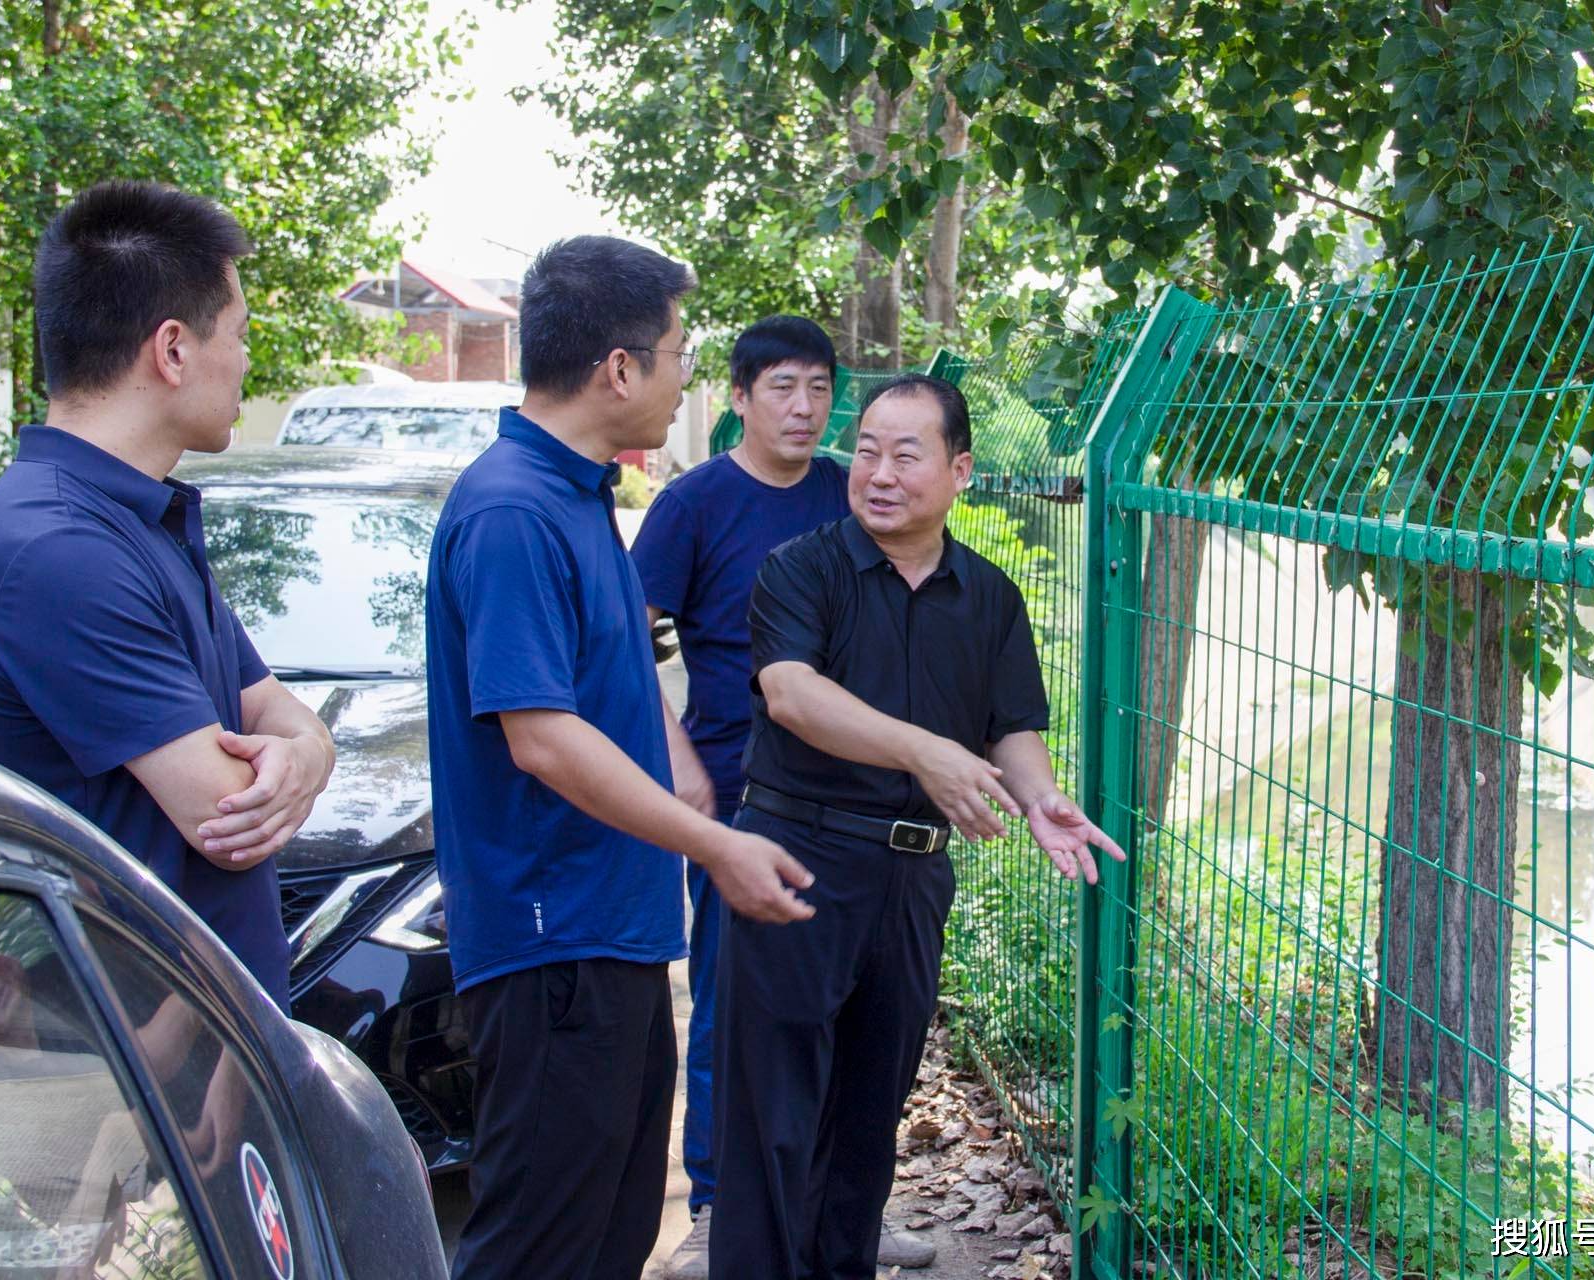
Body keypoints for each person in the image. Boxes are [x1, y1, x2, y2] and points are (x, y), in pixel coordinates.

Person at [424, 235, 816, 1280]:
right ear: (619, 368)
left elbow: (608, 679)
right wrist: (716, 844)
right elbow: (540, 735)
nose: (689, 371)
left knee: (610, 1230)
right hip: (556, 940)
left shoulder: (580, 493)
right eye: (680, 349)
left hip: (613, 927)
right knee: (539, 1242)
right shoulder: (512, 508)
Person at [710, 373, 1126, 1279]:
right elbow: (792, 695)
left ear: (959, 469)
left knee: (868, 1119)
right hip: (797, 859)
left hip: (911, 881)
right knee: (773, 1123)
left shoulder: (990, 598)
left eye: (906, 454)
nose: (879, 473)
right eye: (865, 451)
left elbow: (1011, 726)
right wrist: (924, 754)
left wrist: (1042, 795)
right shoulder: (801, 569)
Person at [0, 181, 335, 1011]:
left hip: (198, 1037)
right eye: (238, 333)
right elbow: (227, 818)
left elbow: (278, 714)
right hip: (125, 1056)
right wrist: (295, 760)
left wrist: (306, 754)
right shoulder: (58, 549)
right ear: (172, 349)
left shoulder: (132, 518)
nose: (246, 359)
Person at [633, 317, 934, 1276]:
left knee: (857, 1013)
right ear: (738, 398)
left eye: (818, 389)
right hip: (740, 795)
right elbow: (625, 642)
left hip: (864, 804)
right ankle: (724, 1205)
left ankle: (847, 1206)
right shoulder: (694, 505)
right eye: (781, 389)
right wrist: (677, 758)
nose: (803, 409)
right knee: (737, 1005)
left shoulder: (856, 488)